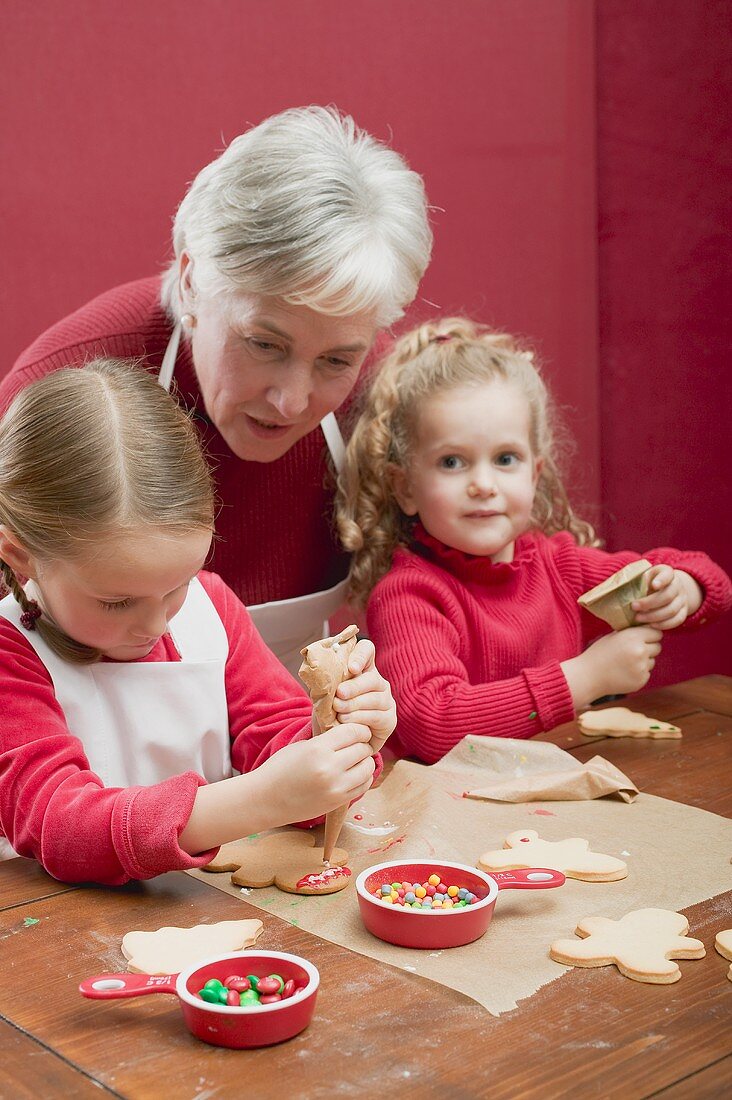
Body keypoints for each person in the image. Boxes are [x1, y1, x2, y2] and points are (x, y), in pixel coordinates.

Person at [0, 106, 432, 673]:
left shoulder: (385, 394)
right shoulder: (65, 384)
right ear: (192, 281)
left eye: (335, 360)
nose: (292, 401)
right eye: (264, 344)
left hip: (294, 728)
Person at [0, 360, 396, 883]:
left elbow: (284, 760)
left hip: (212, 918)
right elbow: (64, 827)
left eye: (176, 585)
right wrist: (261, 799)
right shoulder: (12, 655)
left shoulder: (211, 609)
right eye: (117, 602)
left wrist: (337, 739)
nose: (156, 624)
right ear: (20, 556)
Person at [336, 318, 731, 763]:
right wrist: (584, 678)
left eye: (505, 459)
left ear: (534, 473)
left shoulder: (559, 567)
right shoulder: (409, 596)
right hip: (453, 815)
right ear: (405, 487)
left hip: (554, 799)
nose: (483, 483)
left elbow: (710, 583)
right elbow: (433, 725)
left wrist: (681, 589)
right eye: (452, 462)